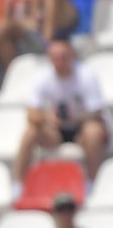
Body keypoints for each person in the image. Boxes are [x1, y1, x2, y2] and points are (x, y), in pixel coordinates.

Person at [18, 37, 108, 181]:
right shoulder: (43, 78)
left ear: (72, 55)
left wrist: (75, 117)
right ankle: (19, 183)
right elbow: (31, 113)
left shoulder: (86, 76)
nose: (59, 62)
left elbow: (97, 112)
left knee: (93, 131)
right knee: (30, 132)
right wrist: (48, 117)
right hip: (56, 132)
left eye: (63, 57)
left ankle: (93, 182)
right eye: (55, 58)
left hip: (81, 131)